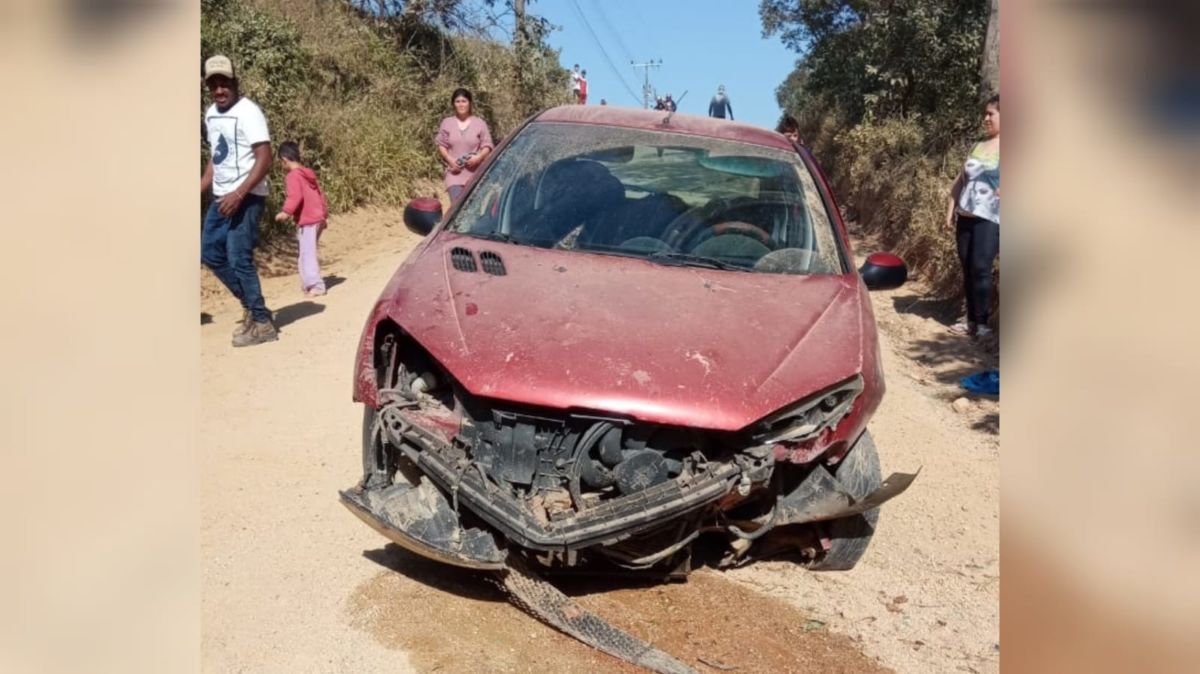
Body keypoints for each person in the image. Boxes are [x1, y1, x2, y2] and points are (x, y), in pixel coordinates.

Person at [201, 54, 278, 347]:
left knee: (238, 257)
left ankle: (261, 322)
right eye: (214, 85)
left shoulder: (249, 112)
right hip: (222, 196)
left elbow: (265, 157)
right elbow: (217, 158)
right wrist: (200, 187)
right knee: (209, 252)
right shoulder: (211, 114)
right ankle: (252, 305)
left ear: (235, 82)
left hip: (247, 196)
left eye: (225, 83)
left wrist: (239, 193)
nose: (219, 90)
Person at [946, 94, 1001, 339]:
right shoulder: (977, 146)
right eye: (985, 113)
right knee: (967, 267)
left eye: (991, 114)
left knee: (981, 267)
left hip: (989, 218)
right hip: (965, 216)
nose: (986, 118)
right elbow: (960, 181)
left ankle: (983, 323)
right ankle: (969, 320)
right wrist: (950, 210)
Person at [274, 141, 329, 297]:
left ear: (284, 160)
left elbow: (294, 196)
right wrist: (324, 215)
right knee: (306, 252)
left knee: (307, 253)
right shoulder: (308, 174)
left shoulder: (293, 176)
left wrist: (286, 212)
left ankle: (316, 285)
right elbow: (320, 194)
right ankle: (308, 284)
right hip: (318, 218)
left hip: (308, 220)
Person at [436, 88, 495, 202]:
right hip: (454, 173)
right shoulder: (447, 122)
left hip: (475, 174)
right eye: (457, 101)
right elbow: (441, 144)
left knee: (472, 208)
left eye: (464, 101)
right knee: (457, 205)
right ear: (453, 104)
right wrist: (450, 159)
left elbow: (487, 145)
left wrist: (478, 157)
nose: (461, 104)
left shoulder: (479, 123)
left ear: (470, 103)